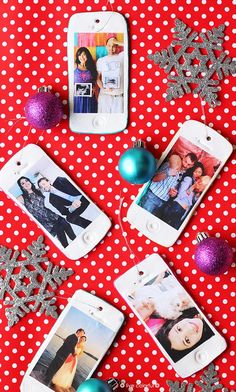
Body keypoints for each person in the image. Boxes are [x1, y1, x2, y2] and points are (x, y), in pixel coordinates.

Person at [17, 177, 76, 248]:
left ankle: (77, 243)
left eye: (27, 180)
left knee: (67, 225)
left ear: (30, 181)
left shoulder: (39, 190)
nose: (26, 183)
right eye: (23, 183)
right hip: (45, 221)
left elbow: (50, 188)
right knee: (61, 234)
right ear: (22, 187)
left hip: (53, 215)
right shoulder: (21, 198)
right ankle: (68, 248)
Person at [159, 162, 205, 229]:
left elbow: (192, 201)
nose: (197, 174)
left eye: (199, 172)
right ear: (192, 171)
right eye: (195, 171)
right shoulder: (188, 179)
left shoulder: (196, 183)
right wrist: (192, 187)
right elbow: (181, 195)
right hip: (176, 207)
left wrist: (198, 194)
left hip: (182, 211)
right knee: (164, 228)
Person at [97, 37, 124, 113]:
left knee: (117, 121)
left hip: (119, 96)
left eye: (113, 46)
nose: (111, 48)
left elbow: (133, 48)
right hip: (105, 95)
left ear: (117, 47)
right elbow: (97, 78)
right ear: (106, 46)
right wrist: (103, 88)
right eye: (109, 45)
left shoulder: (122, 57)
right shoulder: (101, 60)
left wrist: (117, 42)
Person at [74, 47, 98, 113]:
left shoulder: (92, 67)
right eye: (79, 55)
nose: (82, 57)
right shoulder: (74, 66)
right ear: (77, 56)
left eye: (84, 54)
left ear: (87, 55)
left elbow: (95, 81)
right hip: (77, 97)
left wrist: (94, 88)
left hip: (89, 97)